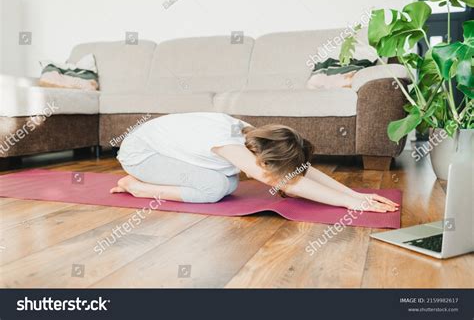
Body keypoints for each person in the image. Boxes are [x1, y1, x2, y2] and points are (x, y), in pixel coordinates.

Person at [111, 112, 398, 213]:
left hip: (159, 145)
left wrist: (354, 194)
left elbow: (300, 171)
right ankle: (137, 187)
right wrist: (349, 205)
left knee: (229, 182)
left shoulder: (251, 135)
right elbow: (282, 180)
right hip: (141, 156)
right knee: (213, 188)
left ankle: (142, 182)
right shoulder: (228, 142)